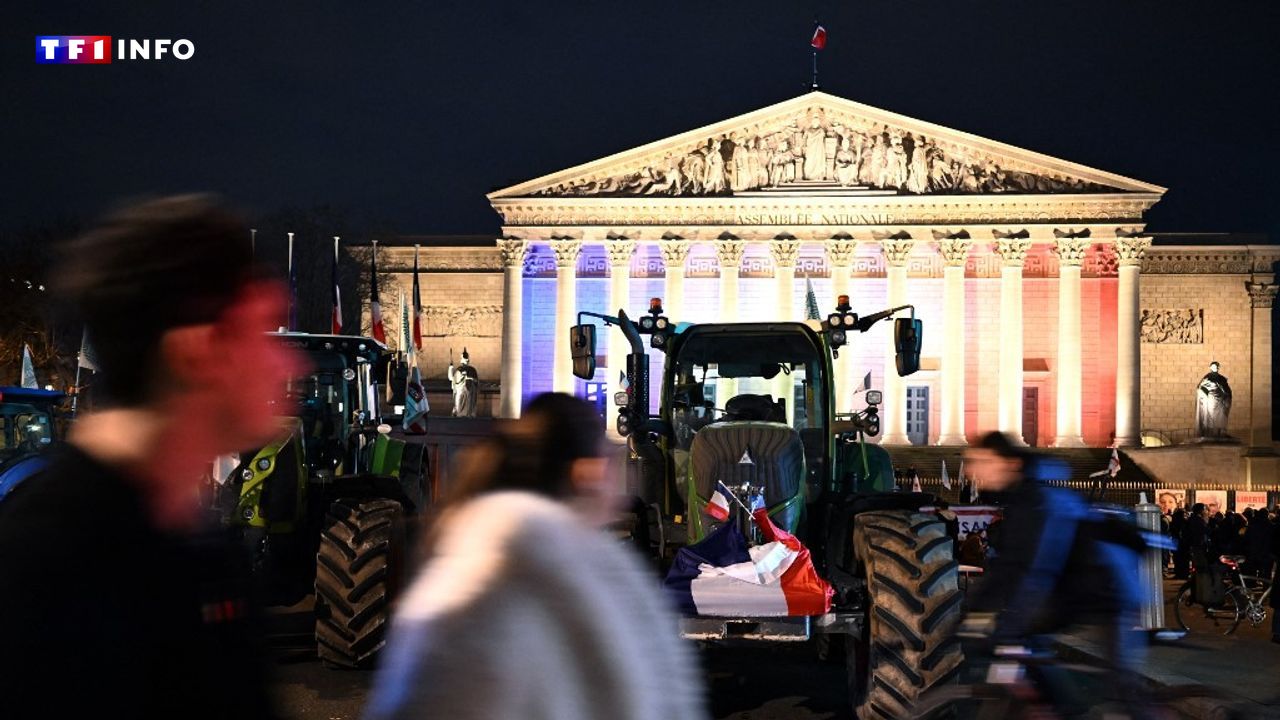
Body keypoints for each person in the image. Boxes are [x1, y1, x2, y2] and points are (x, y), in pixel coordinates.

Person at [0, 195, 303, 719]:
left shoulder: (199, 546)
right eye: (261, 334)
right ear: (198, 351)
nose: (287, 362)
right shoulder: (43, 561)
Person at [365, 393, 707, 720]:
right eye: (611, 461)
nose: (622, 482)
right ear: (586, 472)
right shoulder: (591, 573)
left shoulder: (466, 563)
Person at [959, 432, 1146, 705]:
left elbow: (1036, 569)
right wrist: (972, 612)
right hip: (1072, 591)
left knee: (1124, 693)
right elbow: (1007, 568)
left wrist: (1004, 624)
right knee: (1021, 649)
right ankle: (1050, 704)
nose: (971, 470)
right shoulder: (1020, 499)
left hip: (1108, 590)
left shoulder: (1039, 500)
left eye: (980, 461)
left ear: (1009, 463)